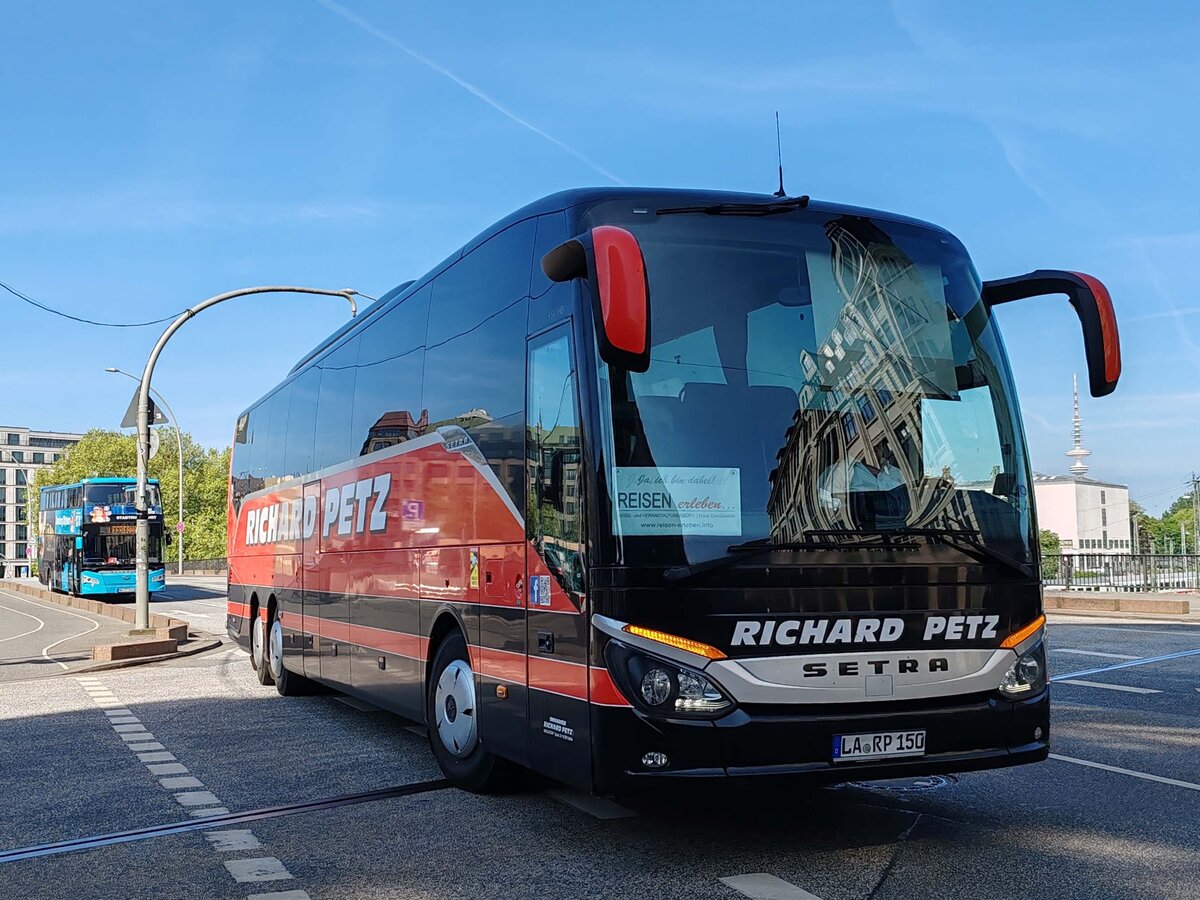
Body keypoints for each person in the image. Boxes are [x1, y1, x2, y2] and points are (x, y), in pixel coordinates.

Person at [819, 438, 911, 529]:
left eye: (878, 444)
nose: (874, 446)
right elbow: (831, 514)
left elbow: (910, 499)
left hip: (904, 529)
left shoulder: (895, 471)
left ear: (882, 447)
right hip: (862, 535)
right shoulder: (841, 472)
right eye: (870, 440)